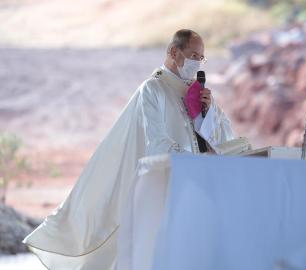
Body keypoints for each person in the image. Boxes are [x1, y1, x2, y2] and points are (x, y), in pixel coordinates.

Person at [23, 29, 234, 269]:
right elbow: (156, 143)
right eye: (194, 55)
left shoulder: (199, 94)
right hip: (166, 184)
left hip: (195, 185)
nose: (198, 63)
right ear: (174, 52)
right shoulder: (153, 89)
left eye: (201, 58)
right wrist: (193, 162)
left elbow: (226, 139)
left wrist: (208, 116)